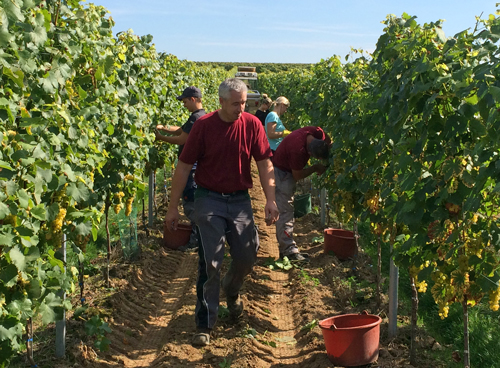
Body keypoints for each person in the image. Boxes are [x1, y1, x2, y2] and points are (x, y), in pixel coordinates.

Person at [164, 78, 279, 347]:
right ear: (221, 102)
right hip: (209, 198)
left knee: (247, 256)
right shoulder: (204, 127)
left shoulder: (251, 125)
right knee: (211, 260)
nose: (242, 108)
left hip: (239, 200)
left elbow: (264, 163)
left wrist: (271, 200)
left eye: (244, 103)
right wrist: (172, 207)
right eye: (236, 103)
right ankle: (204, 322)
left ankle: (232, 288)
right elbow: (183, 166)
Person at [155, 86, 206, 251]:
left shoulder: (196, 118)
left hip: (191, 168)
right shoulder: (199, 116)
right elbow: (181, 130)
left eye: (185, 101)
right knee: (193, 202)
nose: (183, 105)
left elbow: (181, 139)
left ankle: (197, 241)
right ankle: (199, 238)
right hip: (195, 167)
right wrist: (164, 127)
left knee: (191, 204)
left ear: (193, 99)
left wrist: (160, 137)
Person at [272, 126, 331, 262]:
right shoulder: (297, 150)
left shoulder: (316, 132)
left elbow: (325, 134)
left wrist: (330, 145)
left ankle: (286, 249)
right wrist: (315, 168)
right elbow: (297, 175)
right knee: (285, 211)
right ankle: (288, 252)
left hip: (286, 170)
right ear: (309, 151)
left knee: (286, 210)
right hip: (282, 174)